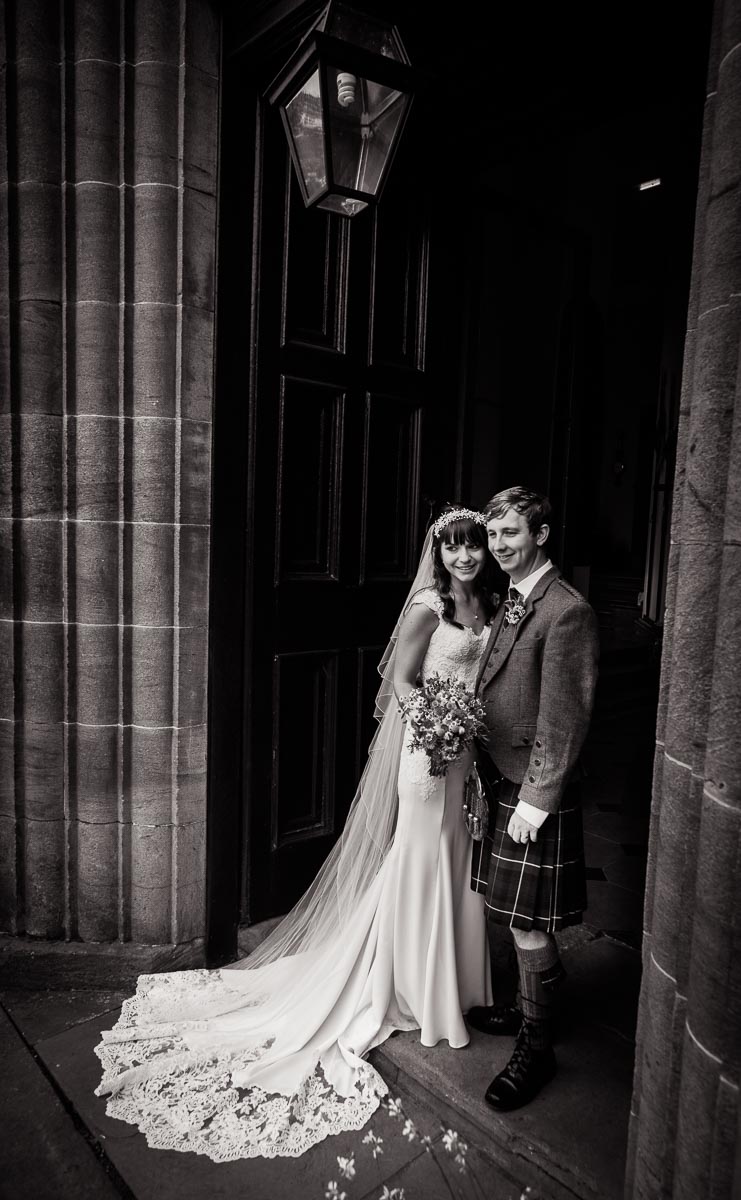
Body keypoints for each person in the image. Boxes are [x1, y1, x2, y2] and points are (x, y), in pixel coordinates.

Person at [94, 507, 496, 1161]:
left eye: (473, 546)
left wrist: (467, 734)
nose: (464, 558)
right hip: (427, 759)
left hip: (463, 758)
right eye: (452, 548)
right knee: (421, 859)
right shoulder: (428, 606)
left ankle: (452, 984)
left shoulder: (486, 603)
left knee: (457, 860)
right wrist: (435, 725)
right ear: (438, 553)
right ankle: (409, 988)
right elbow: (401, 682)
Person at [468, 485, 600, 1111]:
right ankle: (529, 1009)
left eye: (511, 534)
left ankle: (538, 1043)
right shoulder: (515, 600)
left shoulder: (565, 610)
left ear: (541, 536)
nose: (499, 546)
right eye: (493, 535)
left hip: (531, 786)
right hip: (499, 775)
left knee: (527, 919)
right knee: (511, 911)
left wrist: (537, 798)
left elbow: (565, 718)